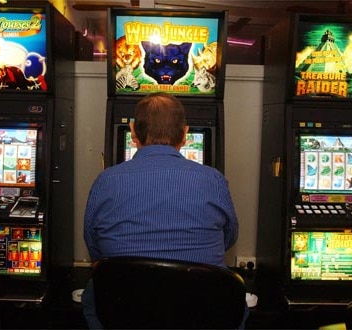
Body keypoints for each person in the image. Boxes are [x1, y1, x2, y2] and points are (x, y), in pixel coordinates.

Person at [81, 92, 246, 328]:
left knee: (92, 294)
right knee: (234, 301)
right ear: (185, 134)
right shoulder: (213, 179)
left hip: (127, 310)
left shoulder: (106, 180)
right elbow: (229, 237)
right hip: (200, 311)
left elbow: (95, 247)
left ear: (133, 133)